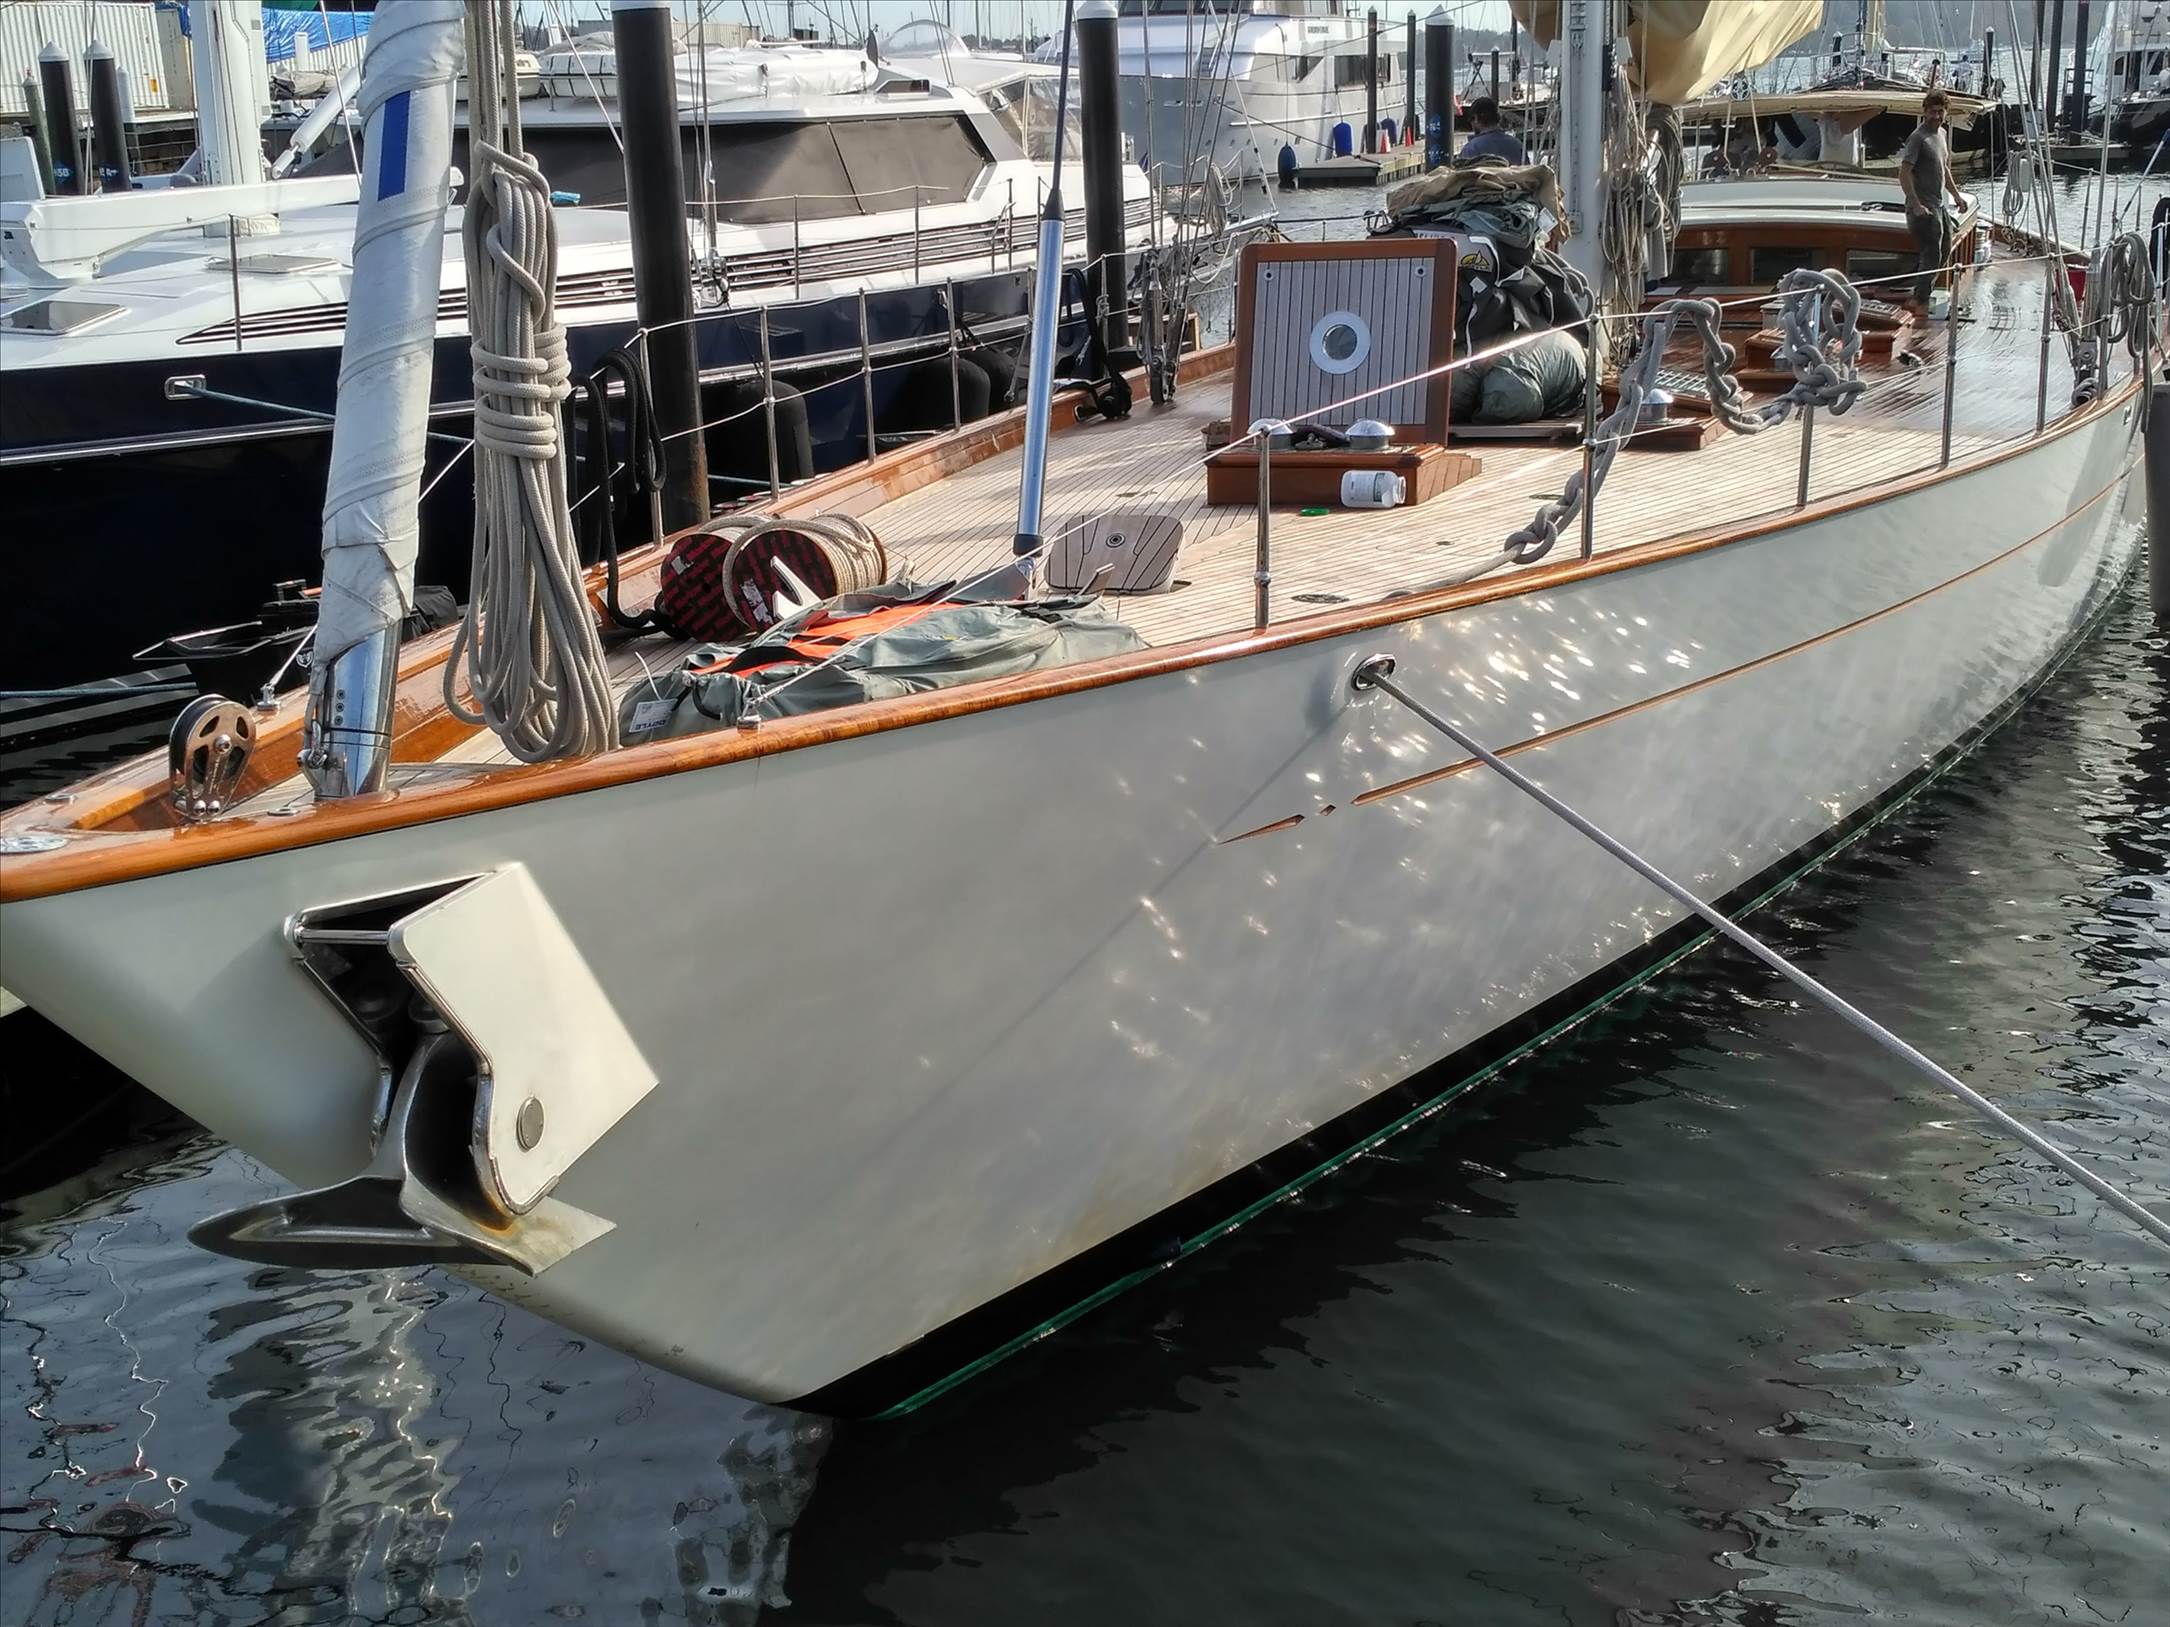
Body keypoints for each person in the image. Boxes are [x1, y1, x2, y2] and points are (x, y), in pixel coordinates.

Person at [1898, 91, 1965, 313]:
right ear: (1925, 112)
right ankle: (1920, 300)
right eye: (1933, 112)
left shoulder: (1942, 134)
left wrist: (1956, 195)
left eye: (1940, 112)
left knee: (1945, 249)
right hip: (1922, 206)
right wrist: (1915, 204)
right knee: (1931, 253)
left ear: (1946, 112)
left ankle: (1921, 292)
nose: (1937, 116)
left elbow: (1944, 168)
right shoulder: (1918, 138)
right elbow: (1904, 173)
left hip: (1939, 204)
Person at [1461, 96, 1527, 164]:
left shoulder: (1471, 149)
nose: (1471, 125)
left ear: (1476, 118)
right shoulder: (1517, 144)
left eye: (1470, 120)